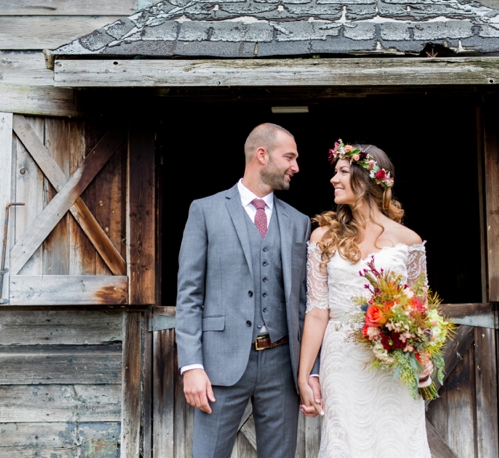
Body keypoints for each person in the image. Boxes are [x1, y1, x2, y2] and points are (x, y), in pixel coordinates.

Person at [175, 123, 319, 458]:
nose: (296, 167)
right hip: (219, 365)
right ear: (261, 155)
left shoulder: (299, 221)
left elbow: (304, 303)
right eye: (290, 157)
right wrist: (191, 365)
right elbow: (189, 295)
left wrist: (310, 369)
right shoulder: (205, 211)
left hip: (281, 367)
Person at [298, 140, 432, 458]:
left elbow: (420, 311)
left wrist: (422, 357)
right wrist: (305, 376)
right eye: (335, 172)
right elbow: (317, 311)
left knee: (396, 442)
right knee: (346, 443)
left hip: (393, 364)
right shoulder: (323, 238)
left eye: (343, 171)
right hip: (342, 360)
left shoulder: (408, 240)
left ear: (367, 179)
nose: (334, 179)